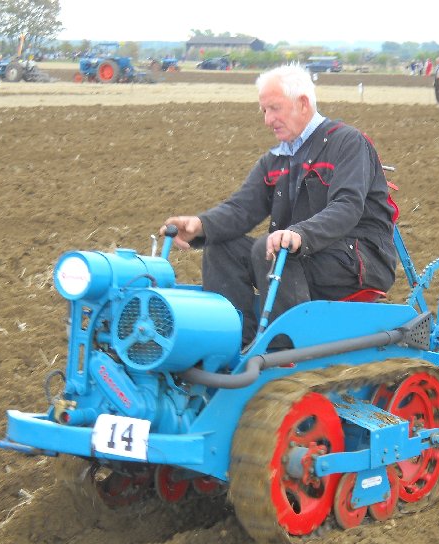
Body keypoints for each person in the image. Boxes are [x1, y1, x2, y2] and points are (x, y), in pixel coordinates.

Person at [161, 64, 398, 346]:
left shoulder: (347, 142)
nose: (267, 119)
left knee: (268, 248)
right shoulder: (275, 160)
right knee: (220, 246)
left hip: (357, 259)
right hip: (298, 256)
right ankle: (232, 341)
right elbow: (241, 208)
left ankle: (284, 349)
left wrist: (299, 234)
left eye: (274, 108)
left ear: (303, 103)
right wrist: (200, 225)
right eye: (264, 111)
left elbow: (347, 206)